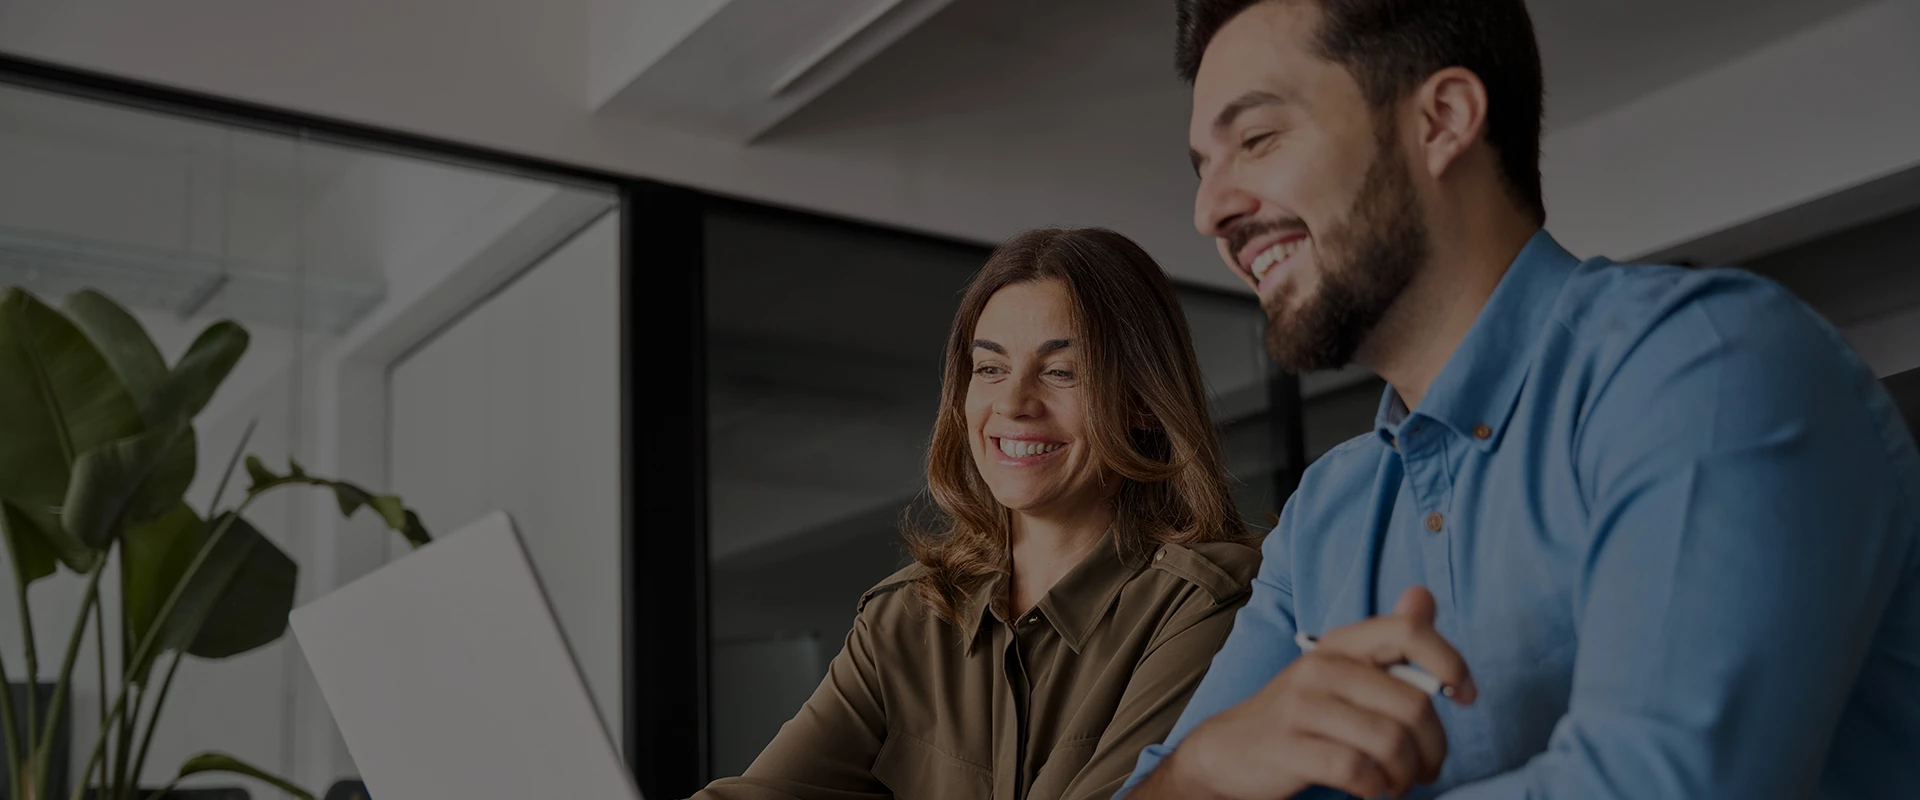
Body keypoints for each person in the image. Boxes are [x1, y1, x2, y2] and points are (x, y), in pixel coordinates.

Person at [1121, 1, 1920, 798]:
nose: (1209, 213)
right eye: (1203, 169)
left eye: (1256, 140)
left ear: (1443, 119)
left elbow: (1662, 786)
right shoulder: (1325, 517)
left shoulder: (1705, 365)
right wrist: (1205, 765)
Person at [691, 227, 1262, 800]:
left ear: (1142, 402)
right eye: (989, 369)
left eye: (1062, 372)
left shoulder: (1211, 605)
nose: (1013, 403)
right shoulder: (909, 616)